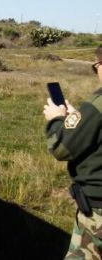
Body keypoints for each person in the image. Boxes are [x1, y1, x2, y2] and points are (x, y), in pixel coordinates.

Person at [44, 45, 102, 258]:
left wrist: (57, 119)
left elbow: (61, 148)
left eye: (95, 68)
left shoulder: (97, 104)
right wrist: (78, 119)